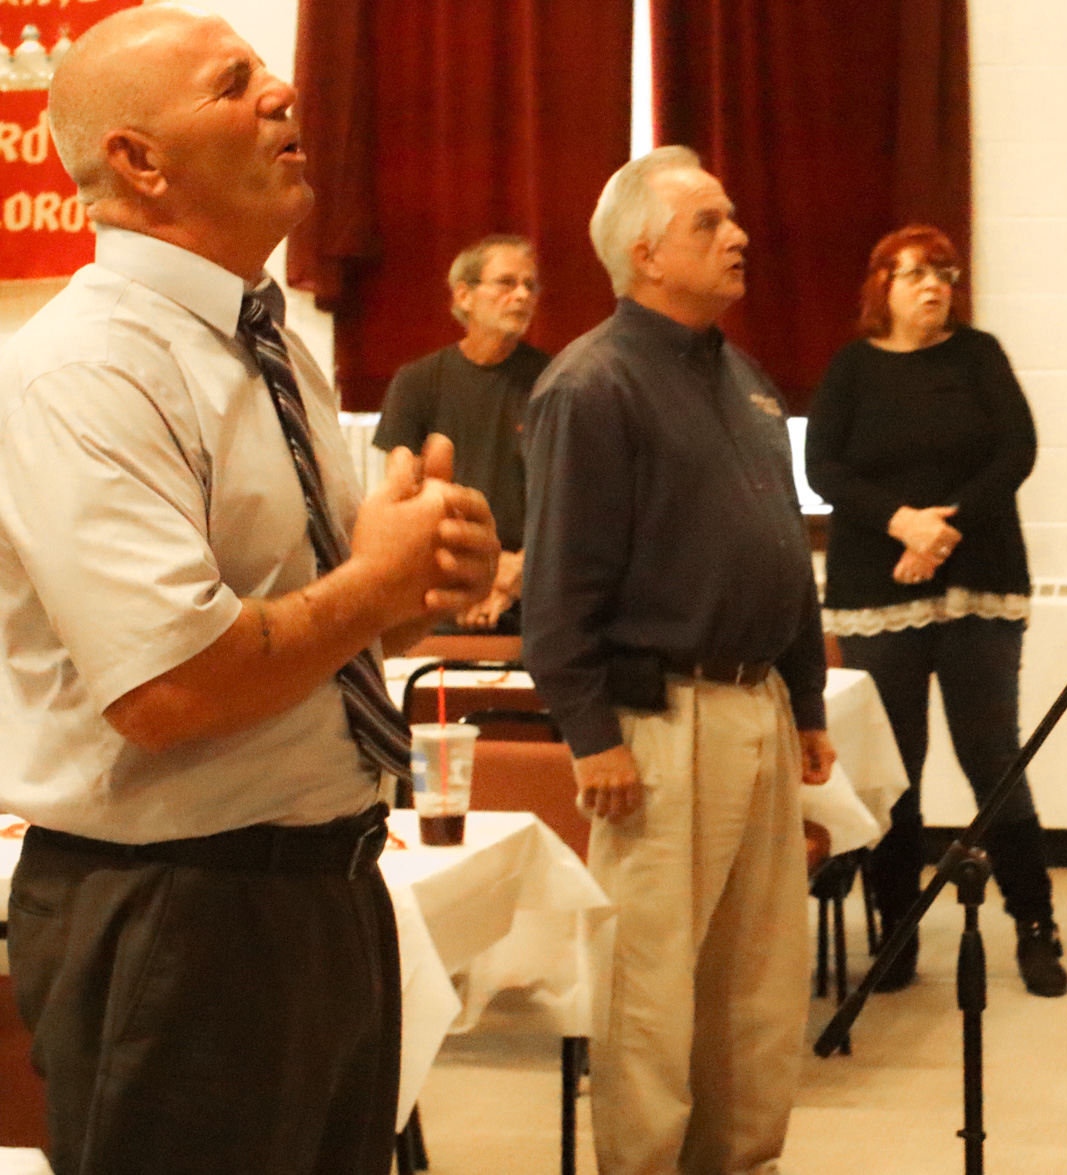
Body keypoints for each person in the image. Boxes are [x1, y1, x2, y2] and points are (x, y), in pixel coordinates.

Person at [0, 7, 500, 1175]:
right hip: (179, 915)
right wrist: (374, 583)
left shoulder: (260, 343)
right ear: (138, 159)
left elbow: (315, 618)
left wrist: (420, 583)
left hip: (321, 889)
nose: (283, 94)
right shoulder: (86, 367)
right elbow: (170, 687)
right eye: (236, 85)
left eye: (270, 72)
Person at [522, 145, 836, 1175]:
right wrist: (589, 732)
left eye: (733, 217)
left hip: (753, 712)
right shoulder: (592, 383)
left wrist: (805, 695)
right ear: (646, 253)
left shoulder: (740, 377)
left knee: (757, 982)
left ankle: (741, 1161)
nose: (737, 235)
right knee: (652, 992)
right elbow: (560, 584)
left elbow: (780, 546)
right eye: (709, 223)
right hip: (658, 726)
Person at [805, 225, 1067, 998]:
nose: (934, 286)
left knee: (993, 755)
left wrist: (941, 528)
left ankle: (1034, 924)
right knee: (897, 768)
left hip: (977, 580)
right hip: (879, 582)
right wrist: (902, 523)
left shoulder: (978, 355)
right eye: (916, 273)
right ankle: (898, 930)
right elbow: (825, 466)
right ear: (881, 284)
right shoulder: (852, 368)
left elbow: (1015, 452)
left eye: (944, 273)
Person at [374, 234, 547, 632]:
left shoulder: (555, 382)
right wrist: (470, 577)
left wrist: (512, 575)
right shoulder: (417, 382)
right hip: (442, 585)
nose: (522, 295)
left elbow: (571, 497)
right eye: (507, 283)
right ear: (465, 295)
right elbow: (401, 500)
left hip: (530, 586)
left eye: (530, 285)